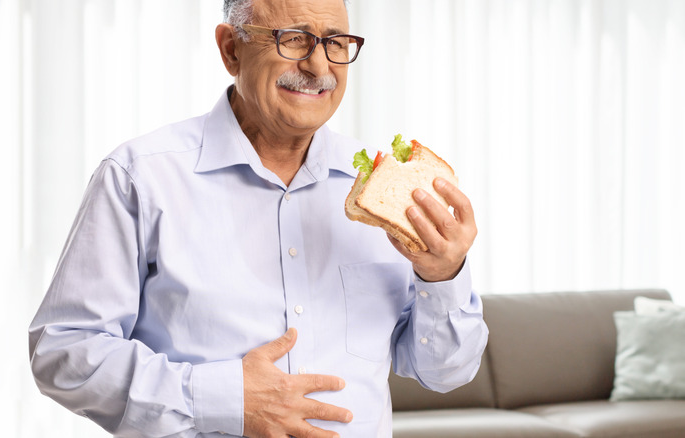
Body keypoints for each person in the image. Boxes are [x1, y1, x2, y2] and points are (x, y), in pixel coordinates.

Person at [28, 0, 488, 436]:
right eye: (293, 39)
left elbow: (444, 371)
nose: (319, 67)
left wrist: (443, 275)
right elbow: (65, 351)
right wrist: (223, 399)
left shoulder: (380, 191)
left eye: (336, 42)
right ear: (231, 49)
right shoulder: (140, 177)